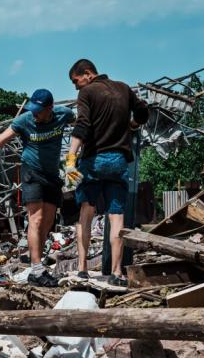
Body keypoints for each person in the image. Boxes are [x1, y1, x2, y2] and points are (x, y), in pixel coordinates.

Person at [0, 89, 74, 287]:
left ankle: (39, 264)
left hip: (53, 175)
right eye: (33, 110)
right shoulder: (24, 121)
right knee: (35, 219)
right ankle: (36, 269)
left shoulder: (64, 114)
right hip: (31, 172)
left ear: (49, 108)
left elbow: (82, 127)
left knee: (48, 221)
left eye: (38, 110)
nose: (35, 114)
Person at [64, 59, 149, 285]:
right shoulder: (124, 88)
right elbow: (143, 111)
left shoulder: (87, 93)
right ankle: (117, 272)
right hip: (119, 162)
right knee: (117, 217)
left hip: (93, 161)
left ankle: (82, 268)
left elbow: (82, 125)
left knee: (85, 214)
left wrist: (71, 158)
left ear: (88, 73)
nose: (76, 86)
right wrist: (132, 126)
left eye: (76, 80)